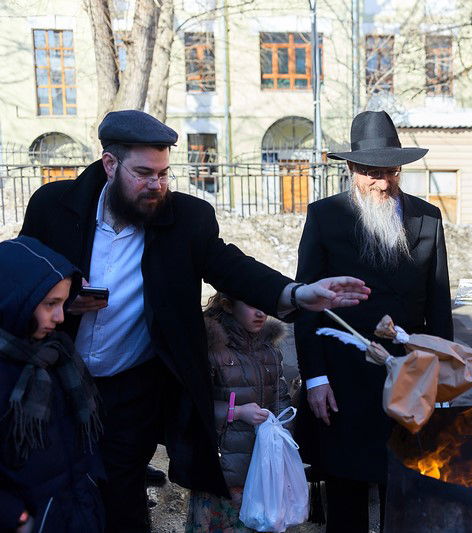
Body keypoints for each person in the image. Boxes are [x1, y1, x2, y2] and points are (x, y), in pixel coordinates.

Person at [19, 109, 370, 532]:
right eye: (144, 173)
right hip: (55, 376)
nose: (156, 186)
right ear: (110, 165)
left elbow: (229, 267)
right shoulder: (53, 206)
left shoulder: (185, 219)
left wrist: (295, 293)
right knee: (53, 482)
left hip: (131, 388)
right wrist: (57, 303)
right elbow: (27, 274)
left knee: (120, 492)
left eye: (164, 174)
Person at [294, 110, 453, 533]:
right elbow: (307, 305)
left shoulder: (427, 217)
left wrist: (442, 377)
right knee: (346, 494)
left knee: (403, 490)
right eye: (371, 173)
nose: (382, 183)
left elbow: (438, 303)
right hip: (344, 378)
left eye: (390, 172)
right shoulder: (325, 217)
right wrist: (315, 379)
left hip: (408, 376)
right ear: (351, 168)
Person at [0, 237, 103, 533]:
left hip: (76, 512)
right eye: (50, 304)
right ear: (15, 299)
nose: (60, 317)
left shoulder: (57, 355)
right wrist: (14, 516)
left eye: (63, 303)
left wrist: (93, 483)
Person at [185, 293, 291, 532]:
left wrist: (284, 434)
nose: (261, 313)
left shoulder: (270, 348)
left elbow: (281, 396)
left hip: (264, 469)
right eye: (253, 304)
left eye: (265, 305)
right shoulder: (210, 348)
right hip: (222, 473)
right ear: (228, 305)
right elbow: (190, 407)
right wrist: (236, 411)